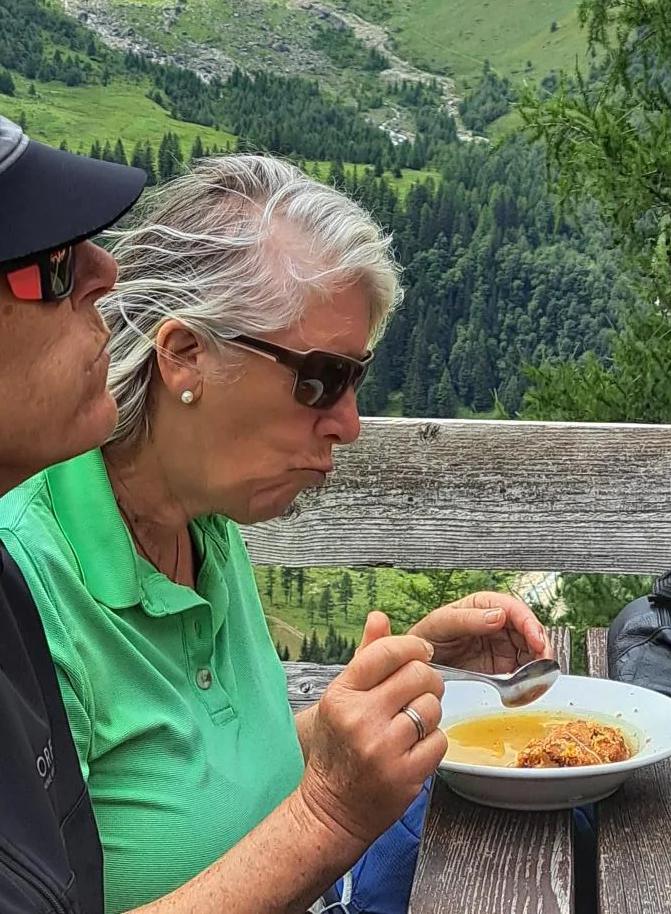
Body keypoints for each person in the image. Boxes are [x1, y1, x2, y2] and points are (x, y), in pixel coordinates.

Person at [0, 153, 548, 914]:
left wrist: (395, 682)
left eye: (357, 377)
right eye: (320, 379)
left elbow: (213, 777)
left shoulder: (203, 516)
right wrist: (328, 817)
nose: (349, 423)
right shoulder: (27, 581)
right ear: (184, 356)